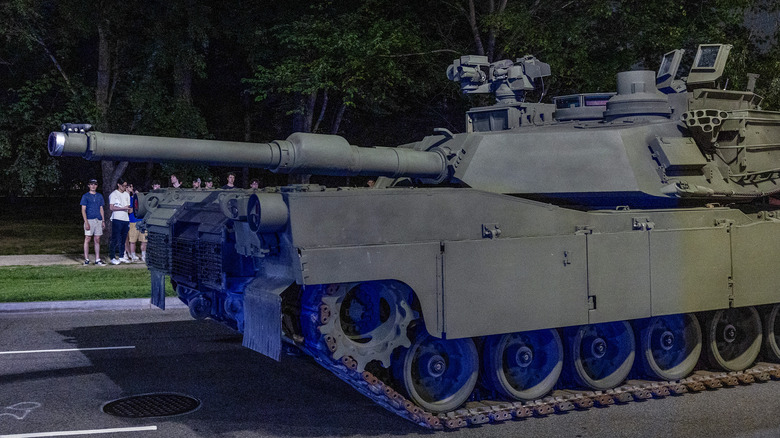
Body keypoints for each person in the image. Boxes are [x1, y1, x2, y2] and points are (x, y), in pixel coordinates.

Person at [80, 178, 106, 266]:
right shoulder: (85, 196)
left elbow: (101, 208)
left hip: (98, 219)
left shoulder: (99, 196)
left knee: (97, 239)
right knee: (87, 238)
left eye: (95, 184)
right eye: (91, 184)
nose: (93, 186)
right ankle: (86, 259)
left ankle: (97, 259)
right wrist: (86, 222)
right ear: (89, 185)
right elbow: (83, 210)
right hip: (89, 219)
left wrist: (103, 220)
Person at [109, 178, 132, 265]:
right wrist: (123, 208)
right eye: (123, 186)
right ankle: (112, 257)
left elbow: (128, 207)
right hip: (117, 219)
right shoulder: (114, 194)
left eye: (126, 186)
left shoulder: (126, 195)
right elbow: (111, 207)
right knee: (115, 238)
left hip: (125, 219)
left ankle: (122, 256)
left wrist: (129, 209)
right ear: (118, 185)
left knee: (123, 238)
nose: (124, 187)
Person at [126, 182, 147, 262]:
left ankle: (143, 255)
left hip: (142, 221)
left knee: (144, 240)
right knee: (132, 240)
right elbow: (130, 210)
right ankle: (133, 255)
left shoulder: (145, 200)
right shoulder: (131, 199)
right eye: (136, 192)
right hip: (133, 221)